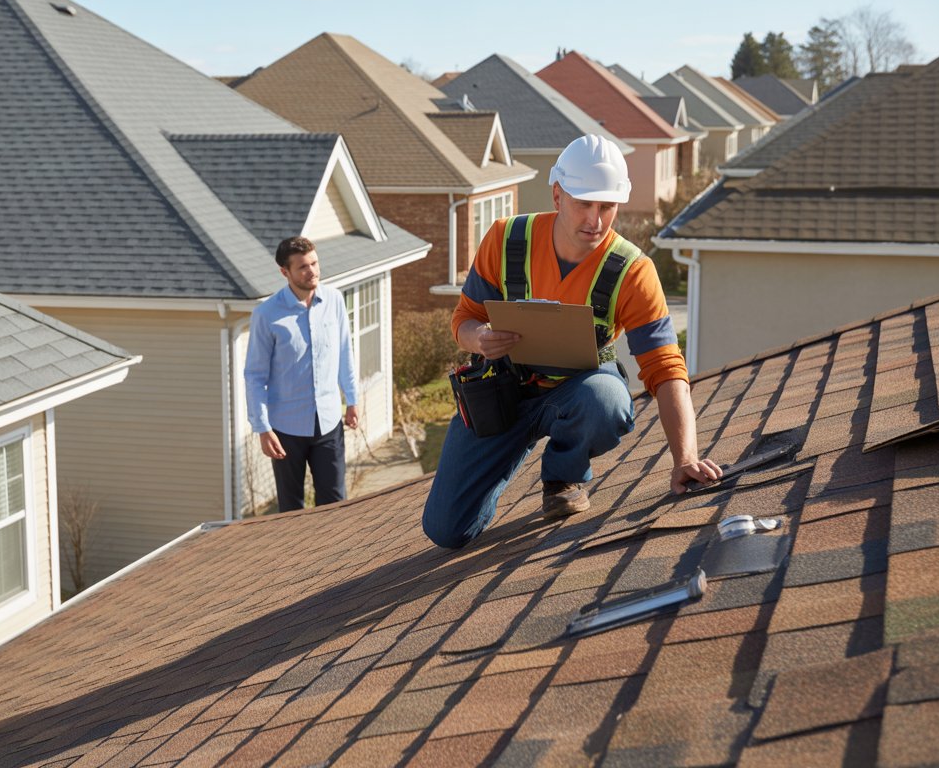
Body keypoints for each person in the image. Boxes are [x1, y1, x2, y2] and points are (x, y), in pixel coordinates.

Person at [422, 134, 722, 549]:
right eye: (585, 203)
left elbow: (666, 370)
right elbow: (465, 318)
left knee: (607, 401)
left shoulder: (633, 271)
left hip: (578, 394)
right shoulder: (505, 239)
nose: (595, 220)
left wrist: (685, 459)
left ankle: (564, 475)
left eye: (607, 206)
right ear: (558, 195)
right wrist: (479, 338)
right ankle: (502, 462)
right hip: (502, 395)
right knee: (446, 531)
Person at [245, 236, 359, 512]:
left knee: (334, 505)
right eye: (303, 267)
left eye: (315, 263)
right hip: (286, 429)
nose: (313, 271)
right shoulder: (266, 315)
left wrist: (352, 400)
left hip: (329, 422)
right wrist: (262, 428)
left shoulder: (334, 300)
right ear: (285, 272)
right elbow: (255, 376)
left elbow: (345, 351)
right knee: (291, 512)